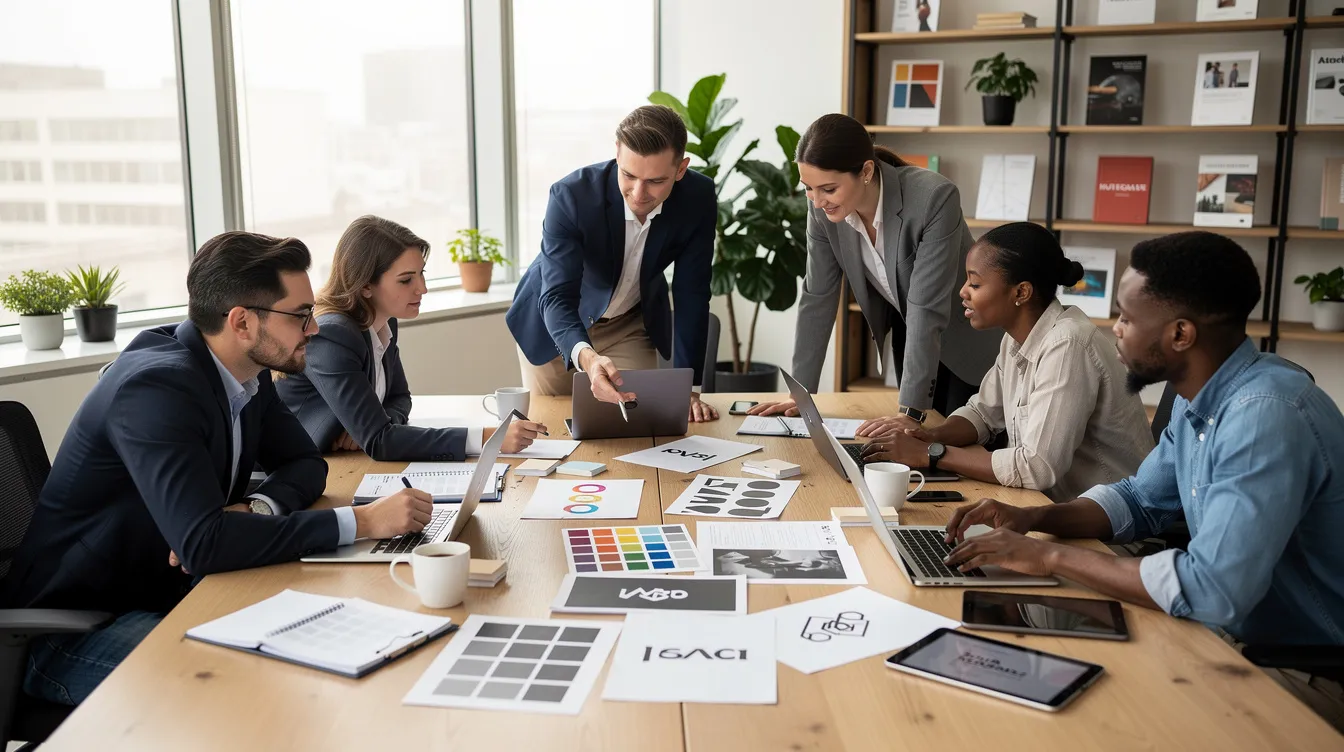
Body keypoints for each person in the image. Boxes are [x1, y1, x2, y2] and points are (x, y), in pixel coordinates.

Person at [0, 232, 434, 706]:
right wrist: (362, 521)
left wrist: (258, 507)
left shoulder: (245, 373)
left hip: (174, 592)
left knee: (335, 653)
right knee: (244, 695)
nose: (314, 328)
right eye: (301, 315)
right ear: (242, 322)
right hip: (76, 628)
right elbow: (204, 544)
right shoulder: (156, 388)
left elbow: (305, 464)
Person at [941, 231, 1344, 729]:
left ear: (1180, 335)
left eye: (1128, 318)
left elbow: (1212, 589)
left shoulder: (1264, 416)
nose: (1115, 330)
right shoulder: (1201, 399)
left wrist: (1050, 553)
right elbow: (1138, 500)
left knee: (1087, 716)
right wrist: (1032, 518)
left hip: (1296, 669)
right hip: (1226, 636)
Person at [858, 222, 1153, 502]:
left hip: (1108, 530)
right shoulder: (1017, 338)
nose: (963, 292)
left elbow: (1037, 467)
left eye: (974, 283)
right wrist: (927, 436)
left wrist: (931, 454)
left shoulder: (1067, 345)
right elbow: (983, 413)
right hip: (1047, 507)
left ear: (1021, 292)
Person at [750, 113, 999, 423]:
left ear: (866, 171)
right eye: (808, 189)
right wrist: (801, 394)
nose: (816, 202)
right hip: (912, 341)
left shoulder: (933, 197)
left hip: (967, 342)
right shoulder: (823, 213)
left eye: (828, 189)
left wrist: (910, 411)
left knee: (953, 451)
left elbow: (926, 306)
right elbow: (818, 296)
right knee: (913, 455)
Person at [506, 104, 720, 423]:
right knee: (553, 427)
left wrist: (690, 388)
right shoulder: (571, 196)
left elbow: (692, 293)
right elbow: (557, 296)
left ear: (681, 169)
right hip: (555, 325)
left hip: (629, 325)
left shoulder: (697, 197)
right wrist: (588, 357)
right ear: (617, 152)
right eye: (629, 175)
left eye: (656, 181)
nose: (639, 193)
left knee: (637, 423)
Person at [277, 215, 546, 461]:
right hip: (298, 468)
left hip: (343, 461)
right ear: (366, 285)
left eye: (421, 274)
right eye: (406, 280)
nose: (423, 289)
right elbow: (381, 442)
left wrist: (375, 424)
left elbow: (400, 398)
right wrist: (490, 438)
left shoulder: (384, 321)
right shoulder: (332, 335)